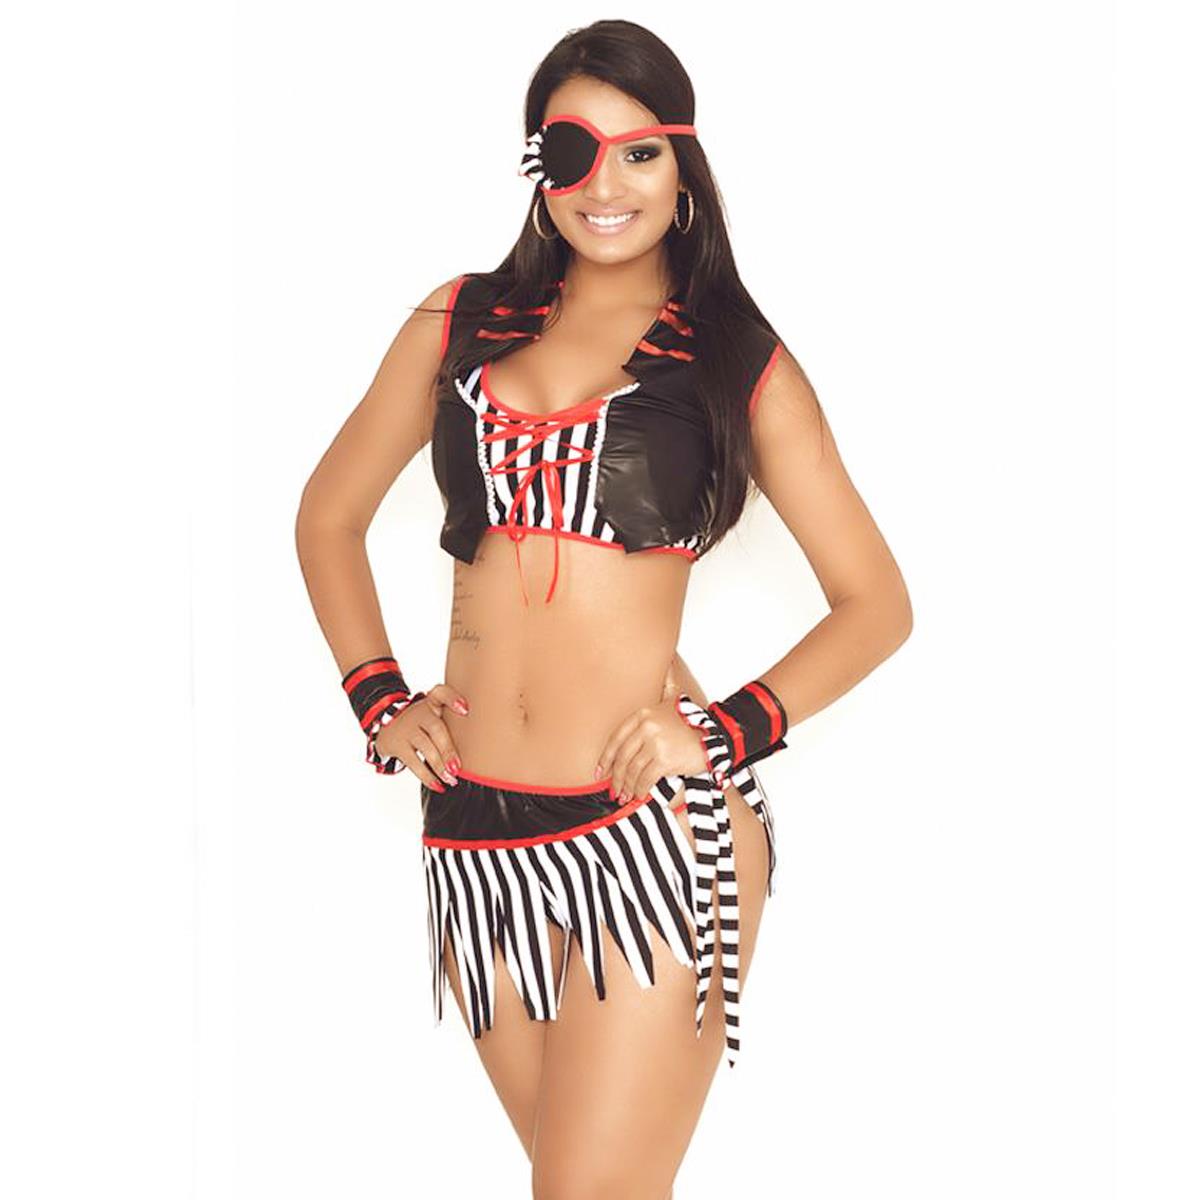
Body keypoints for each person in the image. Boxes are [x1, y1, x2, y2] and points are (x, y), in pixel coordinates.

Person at [295, 19, 912, 1199]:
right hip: (472, 834)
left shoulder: (733, 359)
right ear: (539, 165)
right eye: (573, 151)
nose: (605, 186)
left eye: (640, 152)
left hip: (651, 832)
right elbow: (328, 517)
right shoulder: (458, 321)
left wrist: (721, 731)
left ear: (684, 168)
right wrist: (379, 699)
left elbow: (876, 601)